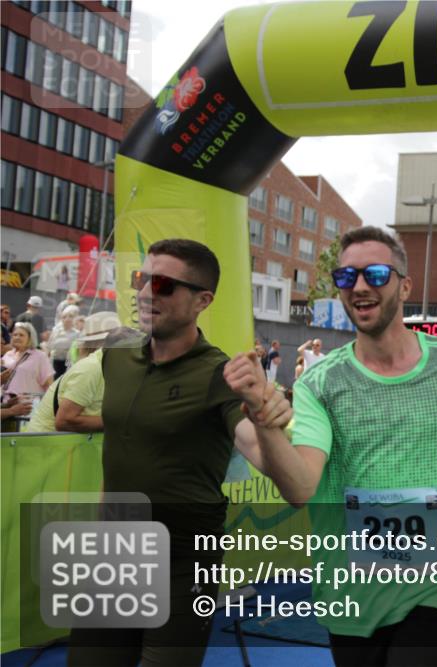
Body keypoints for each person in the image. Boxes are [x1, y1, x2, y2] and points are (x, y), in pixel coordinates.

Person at [223, 226, 437, 667]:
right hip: (349, 590)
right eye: (346, 277)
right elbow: (300, 487)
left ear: (404, 285)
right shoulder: (320, 381)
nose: (359, 287)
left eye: (375, 274)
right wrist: (262, 419)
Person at [68, 239, 291, 667]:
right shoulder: (116, 355)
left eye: (165, 284)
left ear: (202, 300)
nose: (146, 292)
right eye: (142, 279)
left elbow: (258, 453)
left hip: (184, 563)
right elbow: (125, 443)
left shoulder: (218, 374)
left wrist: (266, 417)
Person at [25, 312, 121, 433]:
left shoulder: (107, 367)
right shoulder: (92, 368)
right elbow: (65, 421)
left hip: (65, 447)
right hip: (47, 448)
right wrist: (120, 422)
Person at [1, 322, 54, 402]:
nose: (17, 337)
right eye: (15, 335)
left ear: (30, 338)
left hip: (29, 406)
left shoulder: (40, 356)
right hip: (7, 403)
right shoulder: (7, 355)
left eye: (21, 335)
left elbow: (49, 383)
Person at [48, 305, 80, 378]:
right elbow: (49, 346)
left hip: (69, 363)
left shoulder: (77, 334)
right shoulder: (55, 331)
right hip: (55, 361)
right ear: (61, 319)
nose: (67, 319)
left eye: (70, 316)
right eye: (64, 317)